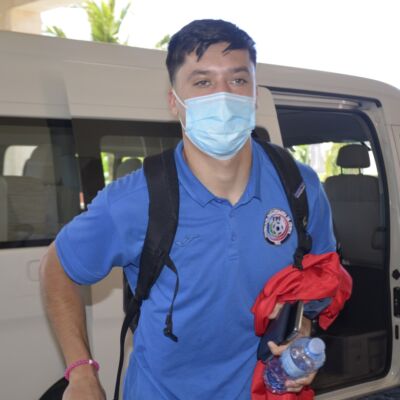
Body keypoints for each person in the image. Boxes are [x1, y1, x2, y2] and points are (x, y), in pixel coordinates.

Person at [40, 19, 337, 400]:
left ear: (254, 95)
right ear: (173, 102)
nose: (223, 96)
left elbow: (320, 277)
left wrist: (303, 330)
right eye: (202, 82)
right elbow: (57, 266)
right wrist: (80, 372)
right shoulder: (136, 199)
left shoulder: (299, 186)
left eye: (238, 79)